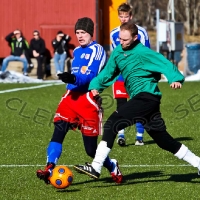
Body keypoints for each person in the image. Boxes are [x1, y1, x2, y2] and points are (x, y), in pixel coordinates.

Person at [74, 22, 200, 181]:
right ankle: (198, 163)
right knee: (163, 140)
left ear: (135, 37)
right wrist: (95, 86)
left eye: (125, 40)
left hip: (147, 97)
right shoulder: (118, 52)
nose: (121, 42)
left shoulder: (143, 52)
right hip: (143, 101)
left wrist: (175, 78)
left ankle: (96, 166)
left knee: (112, 122)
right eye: (120, 38)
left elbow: (164, 63)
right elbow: (108, 72)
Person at [36, 17, 123, 185]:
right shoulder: (76, 51)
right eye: (77, 33)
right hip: (70, 98)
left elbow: (90, 76)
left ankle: (112, 166)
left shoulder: (97, 50)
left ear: (90, 33)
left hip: (88, 101)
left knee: (91, 150)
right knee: (59, 131)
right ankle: (49, 167)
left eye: (83, 32)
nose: (80, 36)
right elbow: (77, 75)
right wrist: (71, 79)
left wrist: (74, 77)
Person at [110, 2, 150, 146]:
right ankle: (121, 135)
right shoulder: (113, 34)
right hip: (120, 76)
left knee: (139, 105)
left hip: (138, 77)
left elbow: (148, 54)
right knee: (121, 106)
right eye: (121, 16)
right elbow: (115, 55)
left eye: (126, 16)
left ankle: (139, 136)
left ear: (131, 16)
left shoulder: (141, 32)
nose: (123, 19)